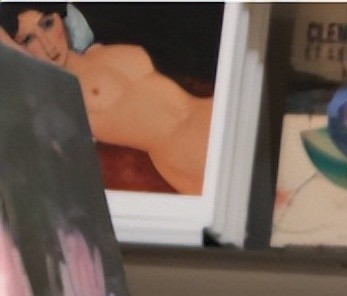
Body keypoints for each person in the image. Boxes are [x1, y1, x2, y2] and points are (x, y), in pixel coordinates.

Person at [0, 3, 214, 194]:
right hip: (190, 158)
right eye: (28, 39)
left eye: (47, 24)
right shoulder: (62, 98)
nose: (48, 45)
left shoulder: (100, 45)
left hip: (212, 112)